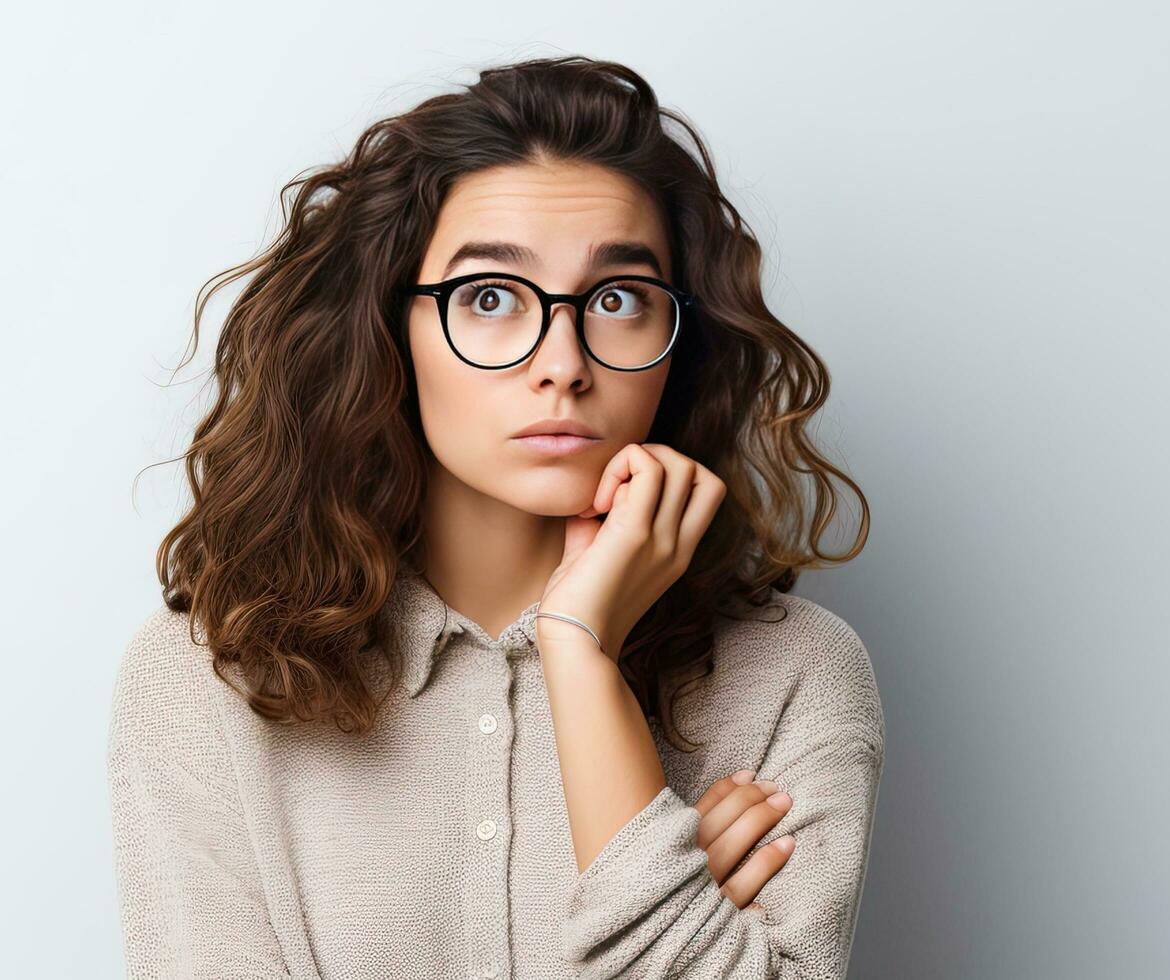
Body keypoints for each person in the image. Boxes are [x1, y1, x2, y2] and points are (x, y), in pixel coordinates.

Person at [108, 55, 882, 979]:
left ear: (680, 342)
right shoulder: (207, 675)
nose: (563, 361)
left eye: (617, 299)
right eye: (488, 297)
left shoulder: (792, 675)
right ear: (388, 329)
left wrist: (582, 655)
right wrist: (665, 918)